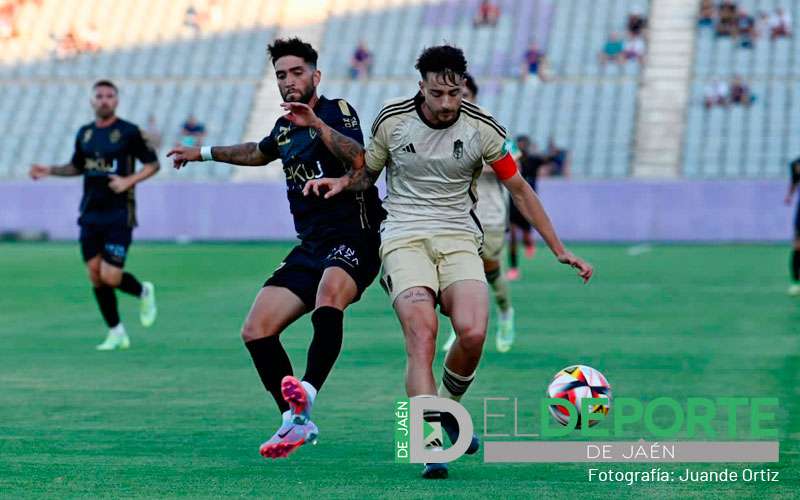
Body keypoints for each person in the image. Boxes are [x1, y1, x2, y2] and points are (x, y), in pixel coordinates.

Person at [304, 45, 593, 479]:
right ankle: (429, 441)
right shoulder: (393, 121)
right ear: (421, 87)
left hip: (459, 237)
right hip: (403, 236)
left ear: (463, 88)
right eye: (437, 93)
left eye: (453, 93)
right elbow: (369, 174)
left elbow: (520, 190)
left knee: (474, 332)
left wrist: (558, 247)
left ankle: (447, 413)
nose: (445, 103)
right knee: (422, 335)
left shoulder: (485, 129)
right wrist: (342, 181)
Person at [167, 38, 385, 460]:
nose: (288, 81)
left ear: (315, 76)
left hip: (355, 236)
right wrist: (203, 153)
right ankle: (294, 420)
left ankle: (306, 392)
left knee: (328, 296)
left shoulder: (337, 111)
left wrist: (317, 125)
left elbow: (361, 160)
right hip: (311, 245)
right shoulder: (285, 127)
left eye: (296, 72)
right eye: (281, 75)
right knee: (256, 329)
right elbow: (259, 152)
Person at [29, 80, 159, 350]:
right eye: (99, 96)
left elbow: (152, 164)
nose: (104, 100)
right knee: (94, 274)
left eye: (109, 96)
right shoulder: (85, 133)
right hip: (89, 213)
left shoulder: (128, 132)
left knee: (110, 276)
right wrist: (49, 170)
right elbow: (77, 166)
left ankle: (143, 291)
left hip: (119, 214)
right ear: (92, 101)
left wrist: (127, 181)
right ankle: (116, 333)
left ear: (117, 101)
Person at [441, 73, 515, 354]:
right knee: (457, 275)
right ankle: (459, 328)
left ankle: (506, 313)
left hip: (490, 213)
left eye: (463, 93)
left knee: (489, 269)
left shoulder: (490, 126)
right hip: (457, 215)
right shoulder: (439, 130)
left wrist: (470, 163)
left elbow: (510, 162)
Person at [507, 136, 548, 280]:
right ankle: (513, 267)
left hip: (529, 201)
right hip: (513, 199)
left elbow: (548, 159)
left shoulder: (533, 160)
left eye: (524, 144)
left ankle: (529, 242)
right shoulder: (511, 160)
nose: (522, 147)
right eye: (519, 144)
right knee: (512, 234)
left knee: (525, 234)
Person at [786, 157, 800, 296]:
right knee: (797, 247)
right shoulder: (796, 164)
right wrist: (789, 196)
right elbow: (794, 182)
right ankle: (796, 282)